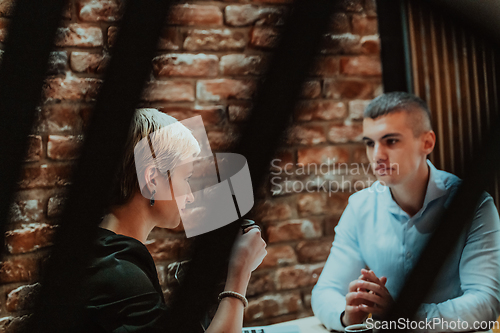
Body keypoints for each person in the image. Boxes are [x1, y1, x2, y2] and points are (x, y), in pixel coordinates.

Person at [311, 92, 500, 332]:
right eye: (370, 143)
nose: (377, 155)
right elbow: (325, 291)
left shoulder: (474, 205)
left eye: (391, 141)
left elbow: (485, 305)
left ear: (427, 143)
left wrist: (402, 315)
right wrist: (347, 315)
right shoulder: (360, 206)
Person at [82, 108, 267, 332]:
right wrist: (240, 272)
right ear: (152, 180)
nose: (189, 195)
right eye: (186, 178)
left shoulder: (103, 251)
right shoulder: (121, 276)